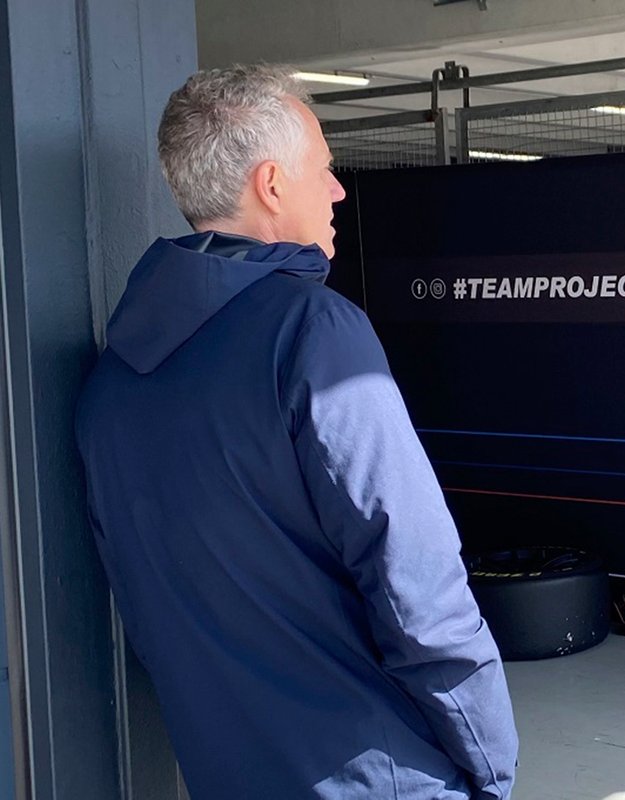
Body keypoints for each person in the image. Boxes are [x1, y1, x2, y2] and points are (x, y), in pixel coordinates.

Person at [75, 65, 518, 799]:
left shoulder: (110, 382)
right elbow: (418, 585)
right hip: (376, 775)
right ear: (272, 185)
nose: (339, 190)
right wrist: (490, 762)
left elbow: (143, 611)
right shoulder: (314, 334)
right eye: (326, 168)